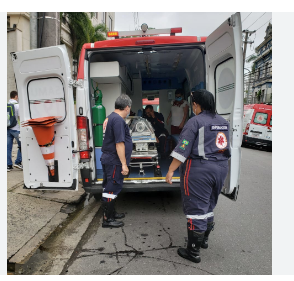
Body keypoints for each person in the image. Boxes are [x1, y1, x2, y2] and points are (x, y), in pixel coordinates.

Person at [165, 89, 230, 263]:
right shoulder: (223, 122)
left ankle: (193, 251)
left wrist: (171, 170)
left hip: (200, 170)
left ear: (196, 104)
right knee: (208, 205)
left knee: (196, 208)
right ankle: (204, 240)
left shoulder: (195, 122)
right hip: (221, 168)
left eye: (193, 104)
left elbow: (183, 148)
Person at [100, 94, 133, 228]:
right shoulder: (118, 120)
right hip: (114, 160)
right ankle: (107, 219)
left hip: (109, 158)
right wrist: (124, 164)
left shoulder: (109, 117)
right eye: (129, 108)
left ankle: (112, 213)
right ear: (126, 107)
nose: (129, 111)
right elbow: (119, 143)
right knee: (112, 187)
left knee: (110, 186)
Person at [7, 91, 22, 172]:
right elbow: (20, 117)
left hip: (7, 129)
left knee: (8, 148)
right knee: (21, 146)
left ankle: (8, 165)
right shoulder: (17, 105)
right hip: (16, 129)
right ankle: (18, 162)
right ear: (16, 96)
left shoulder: (6, 104)